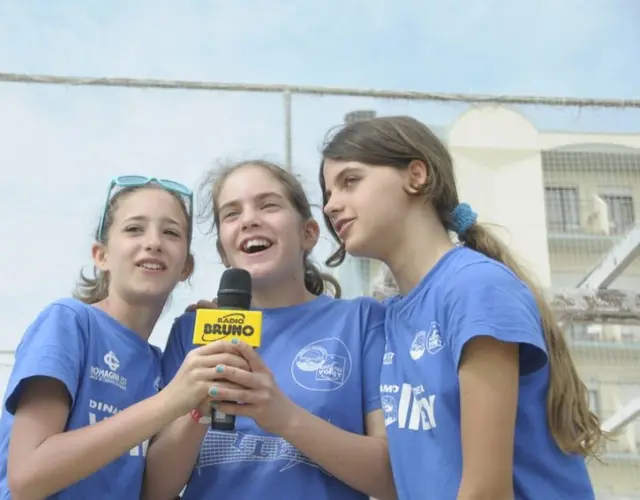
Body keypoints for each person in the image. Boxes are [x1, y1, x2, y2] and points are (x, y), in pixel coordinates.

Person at [320, 115, 606, 500]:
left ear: (416, 175)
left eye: (350, 182)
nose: (332, 206)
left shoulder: (475, 288)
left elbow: (486, 492)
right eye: (327, 194)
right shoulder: (390, 319)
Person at [143, 160, 395, 500]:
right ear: (223, 250)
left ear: (308, 233)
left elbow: (394, 480)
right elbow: (153, 491)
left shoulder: (362, 321)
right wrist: (197, 408)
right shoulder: (191, 331)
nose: (249, 220)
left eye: (268, 205)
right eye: (231, 214)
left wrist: (281, 415)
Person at [0, 176, 233, 499]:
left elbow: (154, 491)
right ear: (101, 255)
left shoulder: (159, 363)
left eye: (171, 232)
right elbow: (27, 478)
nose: (153, 242)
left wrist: (200, 405)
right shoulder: (69, 322)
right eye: (134, 229)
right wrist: (169, 402)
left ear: (186, 267)